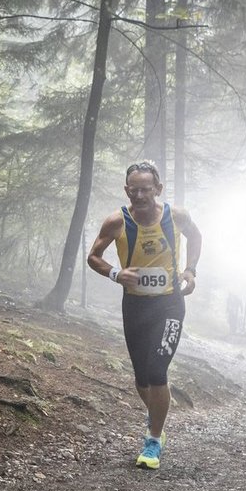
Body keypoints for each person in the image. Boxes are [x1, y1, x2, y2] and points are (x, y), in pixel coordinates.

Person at [87, 161, 202, 469]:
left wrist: (190, 271)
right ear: (127, 190)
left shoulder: (175, 216)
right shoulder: (117, 221)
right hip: (136, 305)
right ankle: (157, 420)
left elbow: (196, 237)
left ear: (158, 189)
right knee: (140, 378)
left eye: (146, 189)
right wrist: (115, 274)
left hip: (170, 304)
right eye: (133, 190)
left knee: (156, 371)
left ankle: (153, 439)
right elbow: (93, 257)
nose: (139, 195)